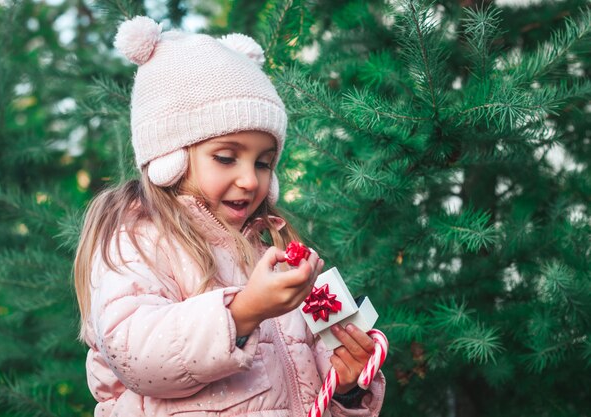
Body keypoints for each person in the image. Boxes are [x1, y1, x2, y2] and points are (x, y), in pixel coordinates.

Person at [74, 15, 385, 417]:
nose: (249, 180)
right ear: (170, 157)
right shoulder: (138, 240)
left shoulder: (269, 252)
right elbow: (133, 353)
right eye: (226, 157)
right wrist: (243, 311)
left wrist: (342, 384)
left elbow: (300, 382)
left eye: (263, 163)